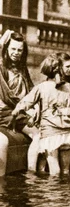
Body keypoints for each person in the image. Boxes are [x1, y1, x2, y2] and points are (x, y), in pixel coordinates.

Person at [11, 54, 70, 176]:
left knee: (54, 171)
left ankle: (51, 195)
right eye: (67, 67)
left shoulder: (41, 87)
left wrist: (15, 111)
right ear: (58, 68)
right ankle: (65, 194)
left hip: (50, 134)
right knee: (66, 171)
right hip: (67, 133)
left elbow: (26, 102)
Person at [0, 30, 41, 176]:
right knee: (36, 133)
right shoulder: (1, 67)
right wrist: (24, 109)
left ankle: (31, 171)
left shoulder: (22, 68)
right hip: (6, 112)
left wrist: (34, 106)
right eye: (13, 49)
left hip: (19, 111)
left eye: (19, 50)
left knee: (38, 134)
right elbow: (7, 97)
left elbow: (32, 90)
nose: (16, 53)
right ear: (7, 49)